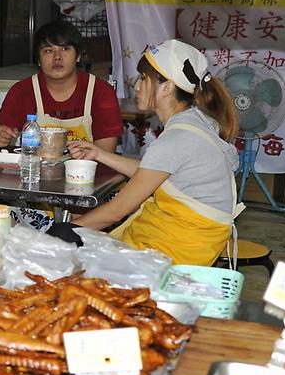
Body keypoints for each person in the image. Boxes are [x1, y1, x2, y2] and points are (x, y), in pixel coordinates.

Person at [52, 39, 243, 266]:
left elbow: (115, 212)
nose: (137, 85)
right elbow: (155, 173)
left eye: (144, 78)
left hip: (174, 253)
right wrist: (100, 154)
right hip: (191, 244)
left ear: (167, 87)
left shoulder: (177, 139)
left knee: (62, 235)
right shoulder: (195, 122)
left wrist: (56, 235)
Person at [0, 21, 122, 153]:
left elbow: (106, 154)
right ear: (38, 60)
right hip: (37, 172)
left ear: (78, 55)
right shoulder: (22, 91)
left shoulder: (101, 92)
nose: (57, 57)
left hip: (86, 173)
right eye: (48, 51)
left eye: (65, 49)